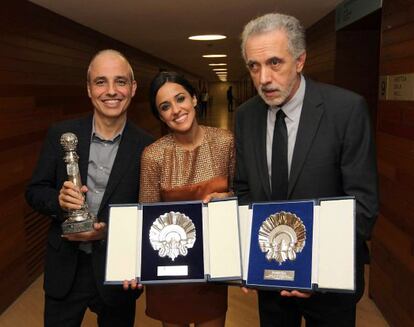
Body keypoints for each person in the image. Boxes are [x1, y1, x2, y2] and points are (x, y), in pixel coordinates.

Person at [234, 13, 378, 327]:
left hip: (330, 285)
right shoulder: (246, 116)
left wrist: (312, 269)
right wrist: (247, 257)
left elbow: (363, 207)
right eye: (254, 66)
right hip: (269, 278)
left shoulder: (346, 110)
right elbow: (244, 190)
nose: (263, 78)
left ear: (300, 61)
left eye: (275, 63)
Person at [25, 49, 153, 327]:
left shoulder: (148, 148)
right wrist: (59, 201)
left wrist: (110, 232)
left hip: (117, 273)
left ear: (132, 88)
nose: (111, 91)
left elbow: (148, 215)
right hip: (65, 269)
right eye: (100, 82)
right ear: (89, 89)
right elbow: (35, 191)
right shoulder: (61, 134)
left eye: (120, 82)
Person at [138, 71, 235, 327]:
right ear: (160, 116)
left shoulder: (225, 142)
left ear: (194, 99)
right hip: (170, 270)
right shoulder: (153, 156)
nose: (176, 110)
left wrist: (227, 198)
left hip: (212, 267)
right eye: (165, 106)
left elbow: (241, 198)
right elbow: (146, 218)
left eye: (180, 98)